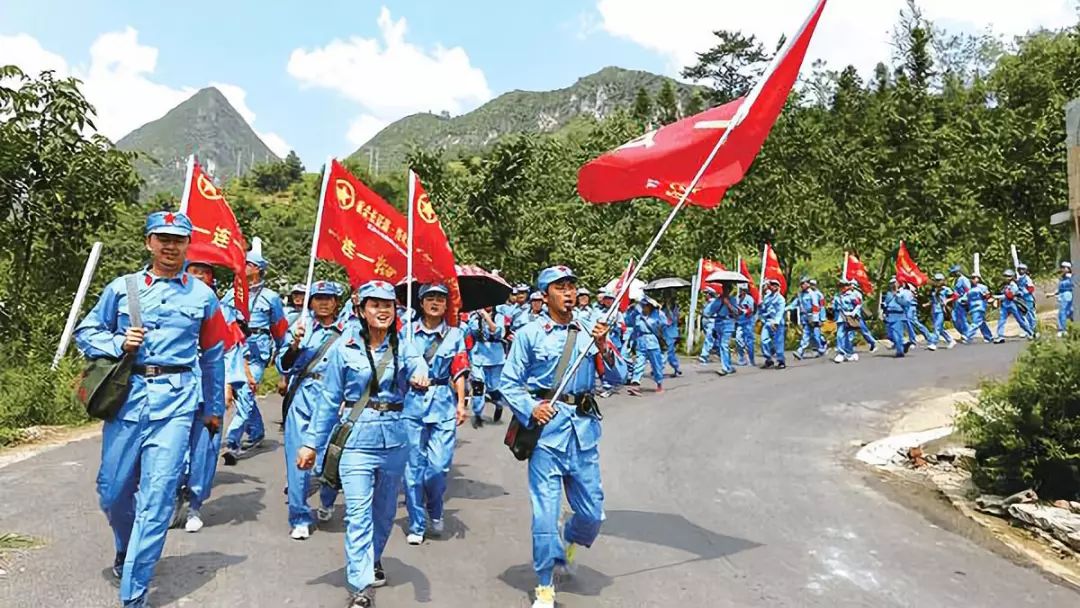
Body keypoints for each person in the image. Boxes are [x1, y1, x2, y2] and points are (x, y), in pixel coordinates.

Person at [74, 211, 227, 608]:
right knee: (112, 491)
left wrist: (212, 409)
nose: (170, 245)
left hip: (176, 403)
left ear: (187, 245)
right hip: (128, 397)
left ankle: (135, 592)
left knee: (157, 496)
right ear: (149, 242)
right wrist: (117, 343)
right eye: (162, 238)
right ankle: (128, 548)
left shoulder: (202, 296)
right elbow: (86, 331)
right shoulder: (121, 289)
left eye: (178, 239)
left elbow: (213, 356)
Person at [297, 280, 429, 608]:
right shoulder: (345, 348)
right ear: (361, 310)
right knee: (357, 514)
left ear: (396, 310)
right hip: (357, 441)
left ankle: (373, 558)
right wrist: (311, 443)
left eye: (388, 305)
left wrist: (420, 375)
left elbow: (418, 364)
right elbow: (328, 400)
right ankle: (360, 585)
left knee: (383, 514)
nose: (382, 310)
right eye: (374, 305)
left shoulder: (405, 345)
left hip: (395, 440)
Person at [499, 265, 625, 608]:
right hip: (546, 435)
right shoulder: (530, 334)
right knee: (544, 515)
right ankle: (544, 585)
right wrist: (530, 407)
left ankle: (569, 539)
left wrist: (602, 344)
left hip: (583, 432)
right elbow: (508, 382)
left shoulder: (588, 329)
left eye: (572, 286)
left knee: (592, 514)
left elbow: (619, 376)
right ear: (545, 295)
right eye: (560, 288)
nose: (568, 293)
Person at [177, 257, 248, 534]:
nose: (198, 277)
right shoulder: (169, 303)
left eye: (204, 273)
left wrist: (228, 385)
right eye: (193, 271)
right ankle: (172, 498)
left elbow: (229, 351)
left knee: (204, 450)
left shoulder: (223, 312)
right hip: (175, 391)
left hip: (210, 391)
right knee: (171, 451)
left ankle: (195, 504)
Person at [276, 280, 347, 540]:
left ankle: (327, 500)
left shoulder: (349, 331)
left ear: (337, 302)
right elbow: (283, 365)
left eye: (329, 298)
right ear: (311, 302)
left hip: (334, 401)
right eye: (318, 298)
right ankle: (300, 516)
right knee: (298, 461)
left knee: (331, 459)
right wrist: (294, 345)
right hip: (303, 397)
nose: (324, 302)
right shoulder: (300, 327)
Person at [401, 284, 470, 546]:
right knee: (413, 468)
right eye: (429, 298)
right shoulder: (407, 333)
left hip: (442, 403)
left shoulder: (455, 334)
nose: (435, 303)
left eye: (440, 299)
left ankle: (436, 508)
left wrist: (461, 403)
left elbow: (459, 370)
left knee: (438, 468)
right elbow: (397, 367)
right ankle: (417, 523)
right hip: (412, 405)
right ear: (420, 303)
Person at [222, 251, 288, 462]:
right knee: (243, 396)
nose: (243, 267)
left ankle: (232, 442)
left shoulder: (271, 297)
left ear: (258, 269)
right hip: (235, 352)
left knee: (246, 394)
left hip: (257, 353)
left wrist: (283, 367)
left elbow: (279, 330)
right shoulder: (231, 295)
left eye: (248, 264)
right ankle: (257, 431)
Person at [468, 305, 509, 427]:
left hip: (495, 357)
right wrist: (479, 320)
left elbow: (498, 333)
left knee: (493, 387)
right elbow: (473, 333)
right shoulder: (474, 317)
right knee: (478, 385)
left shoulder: (499, 317)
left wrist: (487, 318)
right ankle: (477, 414)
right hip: (478, 355)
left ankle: (498, 404)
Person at [628, 296, 667, 394]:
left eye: (646, 306)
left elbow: (665, 323)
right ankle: (635, 384)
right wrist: (631, 310)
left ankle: (659, 383)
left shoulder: (657, 315)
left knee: (656, 365)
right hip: (641, 342)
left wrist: (659, 310)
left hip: (653, 342)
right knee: (639, 363)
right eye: (642, 305)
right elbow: (630, 323)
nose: (644, 307)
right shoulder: (638, 316)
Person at [790, 276, 826, 360]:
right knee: (806, 334)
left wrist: (818, 319)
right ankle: (800, 351)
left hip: (813, 317)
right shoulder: (800, 295)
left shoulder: (813, 294)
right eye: (801, 284)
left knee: (816, 335)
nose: (802, 285)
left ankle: (821, 348)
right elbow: (794, 304)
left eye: (804, 283)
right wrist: (784, 309)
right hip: (805, 317)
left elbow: (817, 307)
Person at [994, 269, 1034, 342]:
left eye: (1008, 276)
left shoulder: (1014, 285)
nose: (1006, 278)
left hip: (1012, 304)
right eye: (1005, 276)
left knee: (1020, 320)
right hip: (1004, 305)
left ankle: (1031, 333)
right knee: (1001, 320)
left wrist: (996, 297)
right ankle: (1000, 336)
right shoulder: (1005, 285)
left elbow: (1009, 296)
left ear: (1012, 277)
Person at [710, 286, 739, 376]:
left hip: (728, 323)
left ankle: (725, 368)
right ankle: (729, 366)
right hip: (718, 323)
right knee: (721, 346)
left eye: (727, 289)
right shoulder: (717, 300)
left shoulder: (733, 300)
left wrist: (728, 304)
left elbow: (736, 312)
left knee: (724, 345)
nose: (725, 291)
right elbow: (710, 311)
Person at [759, 279, 787, 369]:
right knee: (764, 340)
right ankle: (768, 359)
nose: (773, 286)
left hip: (777, 323)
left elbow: (780, 312)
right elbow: (763, 309)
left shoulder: (780, 299)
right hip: (767, 322)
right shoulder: (767, 297)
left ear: (778, 287)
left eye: (775, 285)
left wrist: (776, 322)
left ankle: (781, 361)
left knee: (778, 342)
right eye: (771, 285)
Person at [833, 279, 862, 363]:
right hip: (841, 318)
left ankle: (850, 352)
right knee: (839, 335)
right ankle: (841, 353)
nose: (842, 288)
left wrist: (854, 312)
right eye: (840, 286)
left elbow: (858, 304)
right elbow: (835, 307)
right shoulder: (837, 296)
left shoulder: (852, 295)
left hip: (850, 317)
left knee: (849, 338)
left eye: (844, 286)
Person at [901, 282, 936, 351]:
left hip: (910, 306)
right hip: (907, 306)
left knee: (914, 322)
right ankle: (912, 340)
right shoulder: (905, 285)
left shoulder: (910, 285)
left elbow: (910, 295)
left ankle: (930, 339)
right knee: (909, 323)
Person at [927, 273, 957, 349]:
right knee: (939, 328)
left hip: (941, 310)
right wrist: (927, 304)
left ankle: (933, 343)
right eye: (936, 280)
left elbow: (955, 296)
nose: (937, 281)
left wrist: (947, 300)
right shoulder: (933, 289)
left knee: (937, 327)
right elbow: (933, 300)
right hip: (934, 310)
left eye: (939, 280)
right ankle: (950, 340)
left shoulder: (945, 289)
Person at [881, 278, 909, 358]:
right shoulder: (888, 294)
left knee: (897, 334)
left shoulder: (902, 293)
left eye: (894, 283)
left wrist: (897, 296)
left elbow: (906, 304)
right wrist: (883, 312)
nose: (893, 284)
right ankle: (903, 345)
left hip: (898, 315)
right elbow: (885, 304)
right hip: (890, 315)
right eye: (891, 283)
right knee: (890, 335)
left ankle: (900, 352)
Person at [965, 273, 993, 343]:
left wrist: (986, 296)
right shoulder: (970, 288)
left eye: (975, 278)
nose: (973, 279)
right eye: (972, 278)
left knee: (976, 322)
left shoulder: (982, 287)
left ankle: (967, 336)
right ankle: (989, 336)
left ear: (978, 279)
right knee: (981, 322)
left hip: (979, 307)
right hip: (972, 308)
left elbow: (988, 295)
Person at [733, 283, 757, 367]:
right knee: (738, 339)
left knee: (749, 342)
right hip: (740, 322)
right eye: (740, 290)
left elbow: (751, 310)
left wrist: (744, 311)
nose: (741, 291)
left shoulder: (749, 299)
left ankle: (751, 360)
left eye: (743, 290)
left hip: (748, 322)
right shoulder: (736, 299)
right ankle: (742, 359)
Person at [950, 265, 973, 343]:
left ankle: (967, 335)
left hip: (962, 301)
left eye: (954, 272)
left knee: (962, 319)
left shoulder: (964, 280)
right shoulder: (957, 280)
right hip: (956, 302)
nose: (953, 274)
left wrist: (964, 300)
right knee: (954, 318)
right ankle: (963, 333)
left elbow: (968, 291)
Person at [660, 296, 682, 377]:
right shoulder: (663, 309)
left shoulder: (674, 310)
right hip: (665, 333)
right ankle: (676, 367)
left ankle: (660, 369)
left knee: (667, 352)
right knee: (670, 353)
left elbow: (674, 320)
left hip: (671, 334)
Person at [697, 287, 719, 364]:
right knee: (714, 340)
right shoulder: (707, 302)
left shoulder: (714, 302)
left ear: (710, 294)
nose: (705, 295)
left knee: (709, 339)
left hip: (711, 321)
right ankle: (719, 352)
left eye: (706, 293)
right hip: (706, 321)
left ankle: (704, 356)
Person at [1052, 261, 1074, 337]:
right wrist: (1052, 294)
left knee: (1065, 312)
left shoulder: (1070, 277)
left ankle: (1063, 329)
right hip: (1063, 296)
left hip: (1069, 296)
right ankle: (1064, 329)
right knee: (1064, 312)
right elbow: (1060, 289)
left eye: (1065, 268)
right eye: (1062, 267)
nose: (1063, 269)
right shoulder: (1062, 278)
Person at [1016, 263, 1038, 336]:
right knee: (1022, 315)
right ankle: (1026, 329)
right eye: (1019, 269)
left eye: (1022, 269)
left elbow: (1031, 289)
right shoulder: (1018, 279)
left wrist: (1024, 293)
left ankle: (1033, 329)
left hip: (1028, 298)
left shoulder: (1027, 279)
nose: (1021, 271)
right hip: (1021, 299)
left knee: (1030, 314)